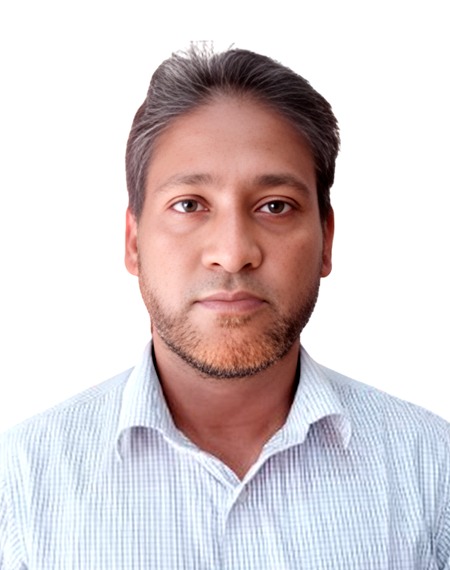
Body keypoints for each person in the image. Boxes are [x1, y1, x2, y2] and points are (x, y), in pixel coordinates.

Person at [1, 45, 449, 570]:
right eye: (189, 205)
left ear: (326, 239)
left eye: (275, 206)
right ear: (134, 242)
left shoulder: (432, 471)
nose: (234, 252)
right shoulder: (21, 483)